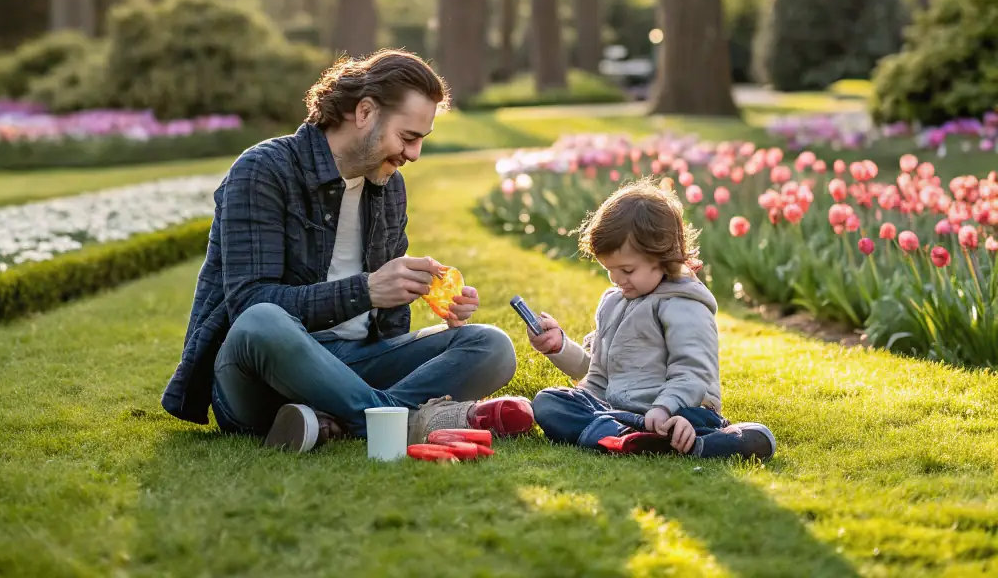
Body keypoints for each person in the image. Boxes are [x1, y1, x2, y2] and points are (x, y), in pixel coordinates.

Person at [162, 49, 532, 451]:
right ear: (365, 112)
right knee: (262, 320)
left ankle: (335, 420)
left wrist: (413, 291)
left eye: (420, 141)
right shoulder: (264, 169)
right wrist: (368, 290)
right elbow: (249, 302)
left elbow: (388, 329)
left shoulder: (389, 188)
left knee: (491, 346)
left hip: (355, 365)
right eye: (407, 138)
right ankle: (398, 420)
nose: (413, 154)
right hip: (262, 374)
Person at [526, 179, 776, 460]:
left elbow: (693, 373)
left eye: (627, 270)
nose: (617, 279)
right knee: (549, 401)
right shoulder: (613, 302)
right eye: (610, 269)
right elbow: (598, 375)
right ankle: (632, 438)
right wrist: (560, 347)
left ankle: (694, 438)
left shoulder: (685, 305)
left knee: (695, 422)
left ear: (663, 256)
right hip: (624, 412)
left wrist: (664, 408)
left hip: (678, 409)